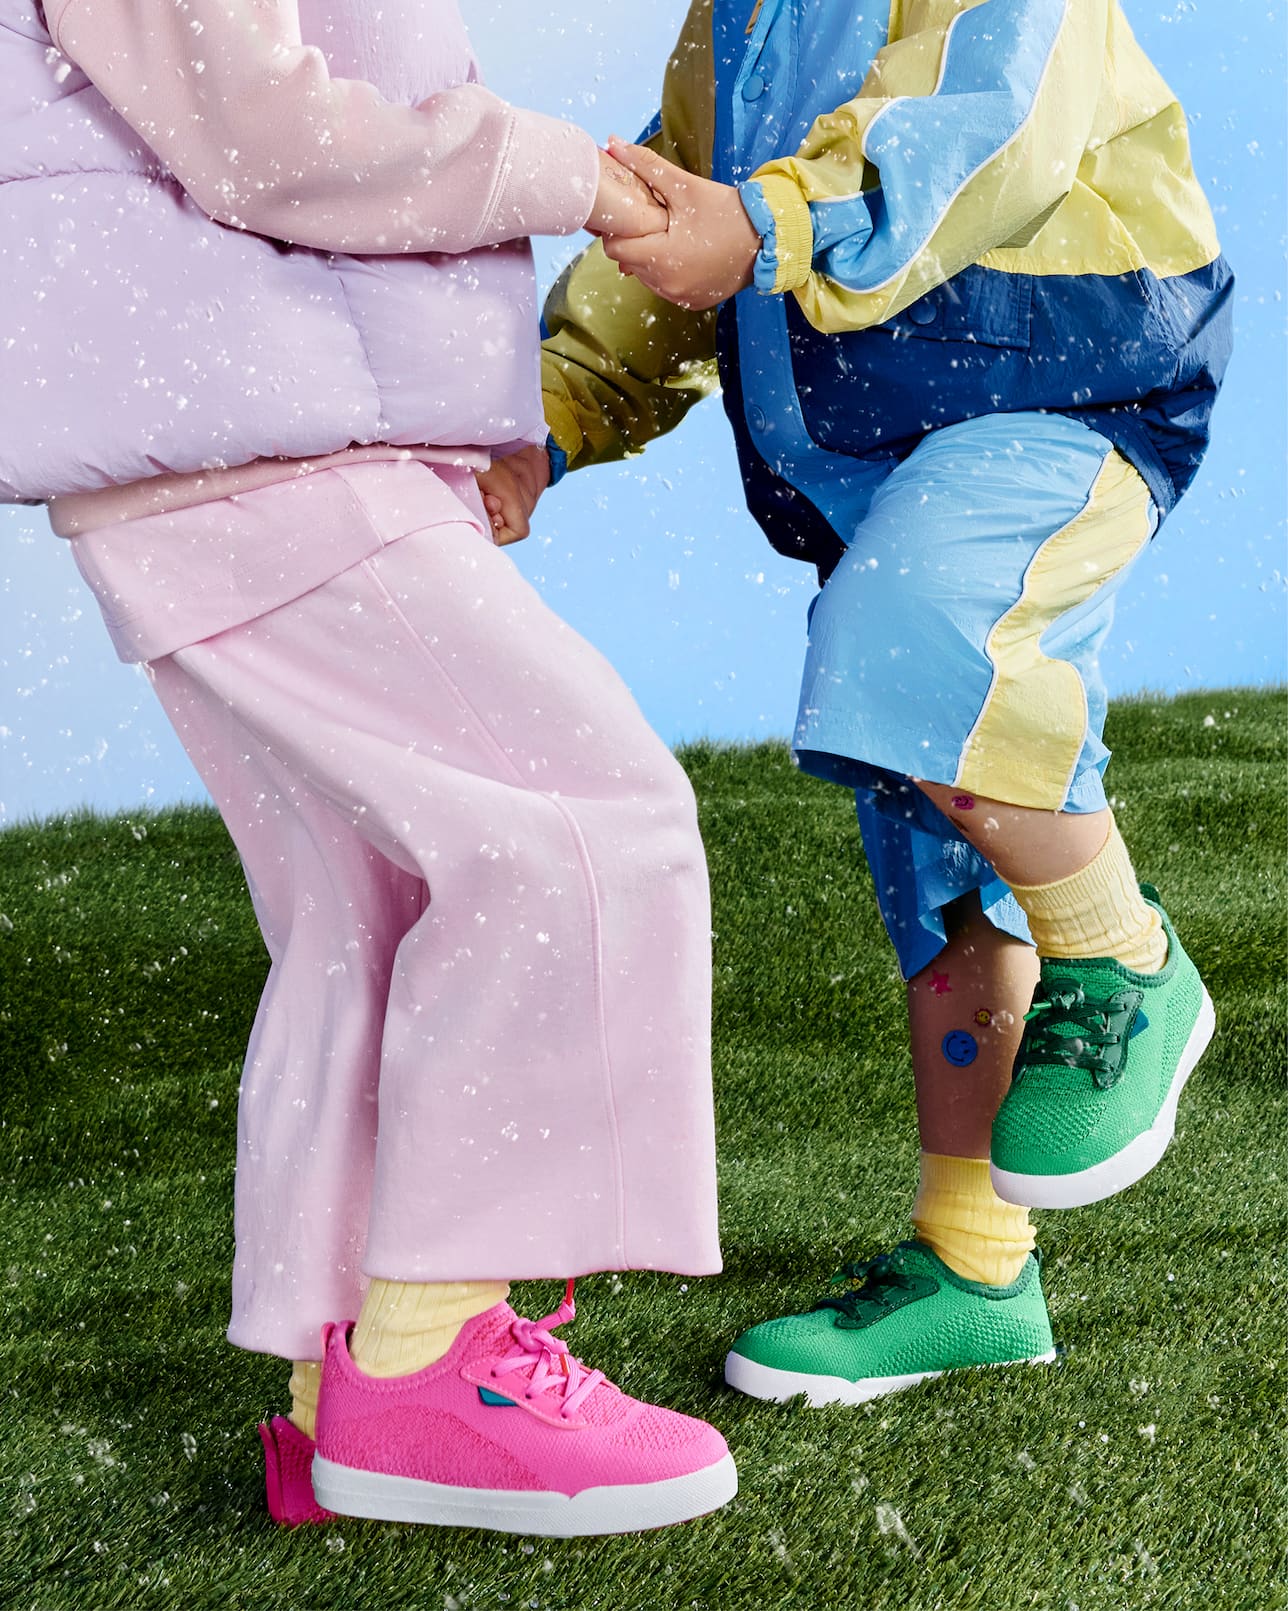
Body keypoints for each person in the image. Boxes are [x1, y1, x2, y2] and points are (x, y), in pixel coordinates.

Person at [1, 0, 739, 1533]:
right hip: (260, 448)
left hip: (249, 433)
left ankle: (343, 1394)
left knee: (371, 913)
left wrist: (464, 413)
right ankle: (430, 1363)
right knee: (582, 825)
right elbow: (263, 130)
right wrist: (591, 183)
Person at [526, 0, 1232, 1406]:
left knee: (912, 642)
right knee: (943, 863)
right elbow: (672, 228)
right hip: (884, 466)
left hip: (1060, 396)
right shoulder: (736, 26)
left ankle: (1126, 951)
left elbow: (987, 126)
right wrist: (544, 415)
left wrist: (766, 225)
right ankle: (977, 1268)